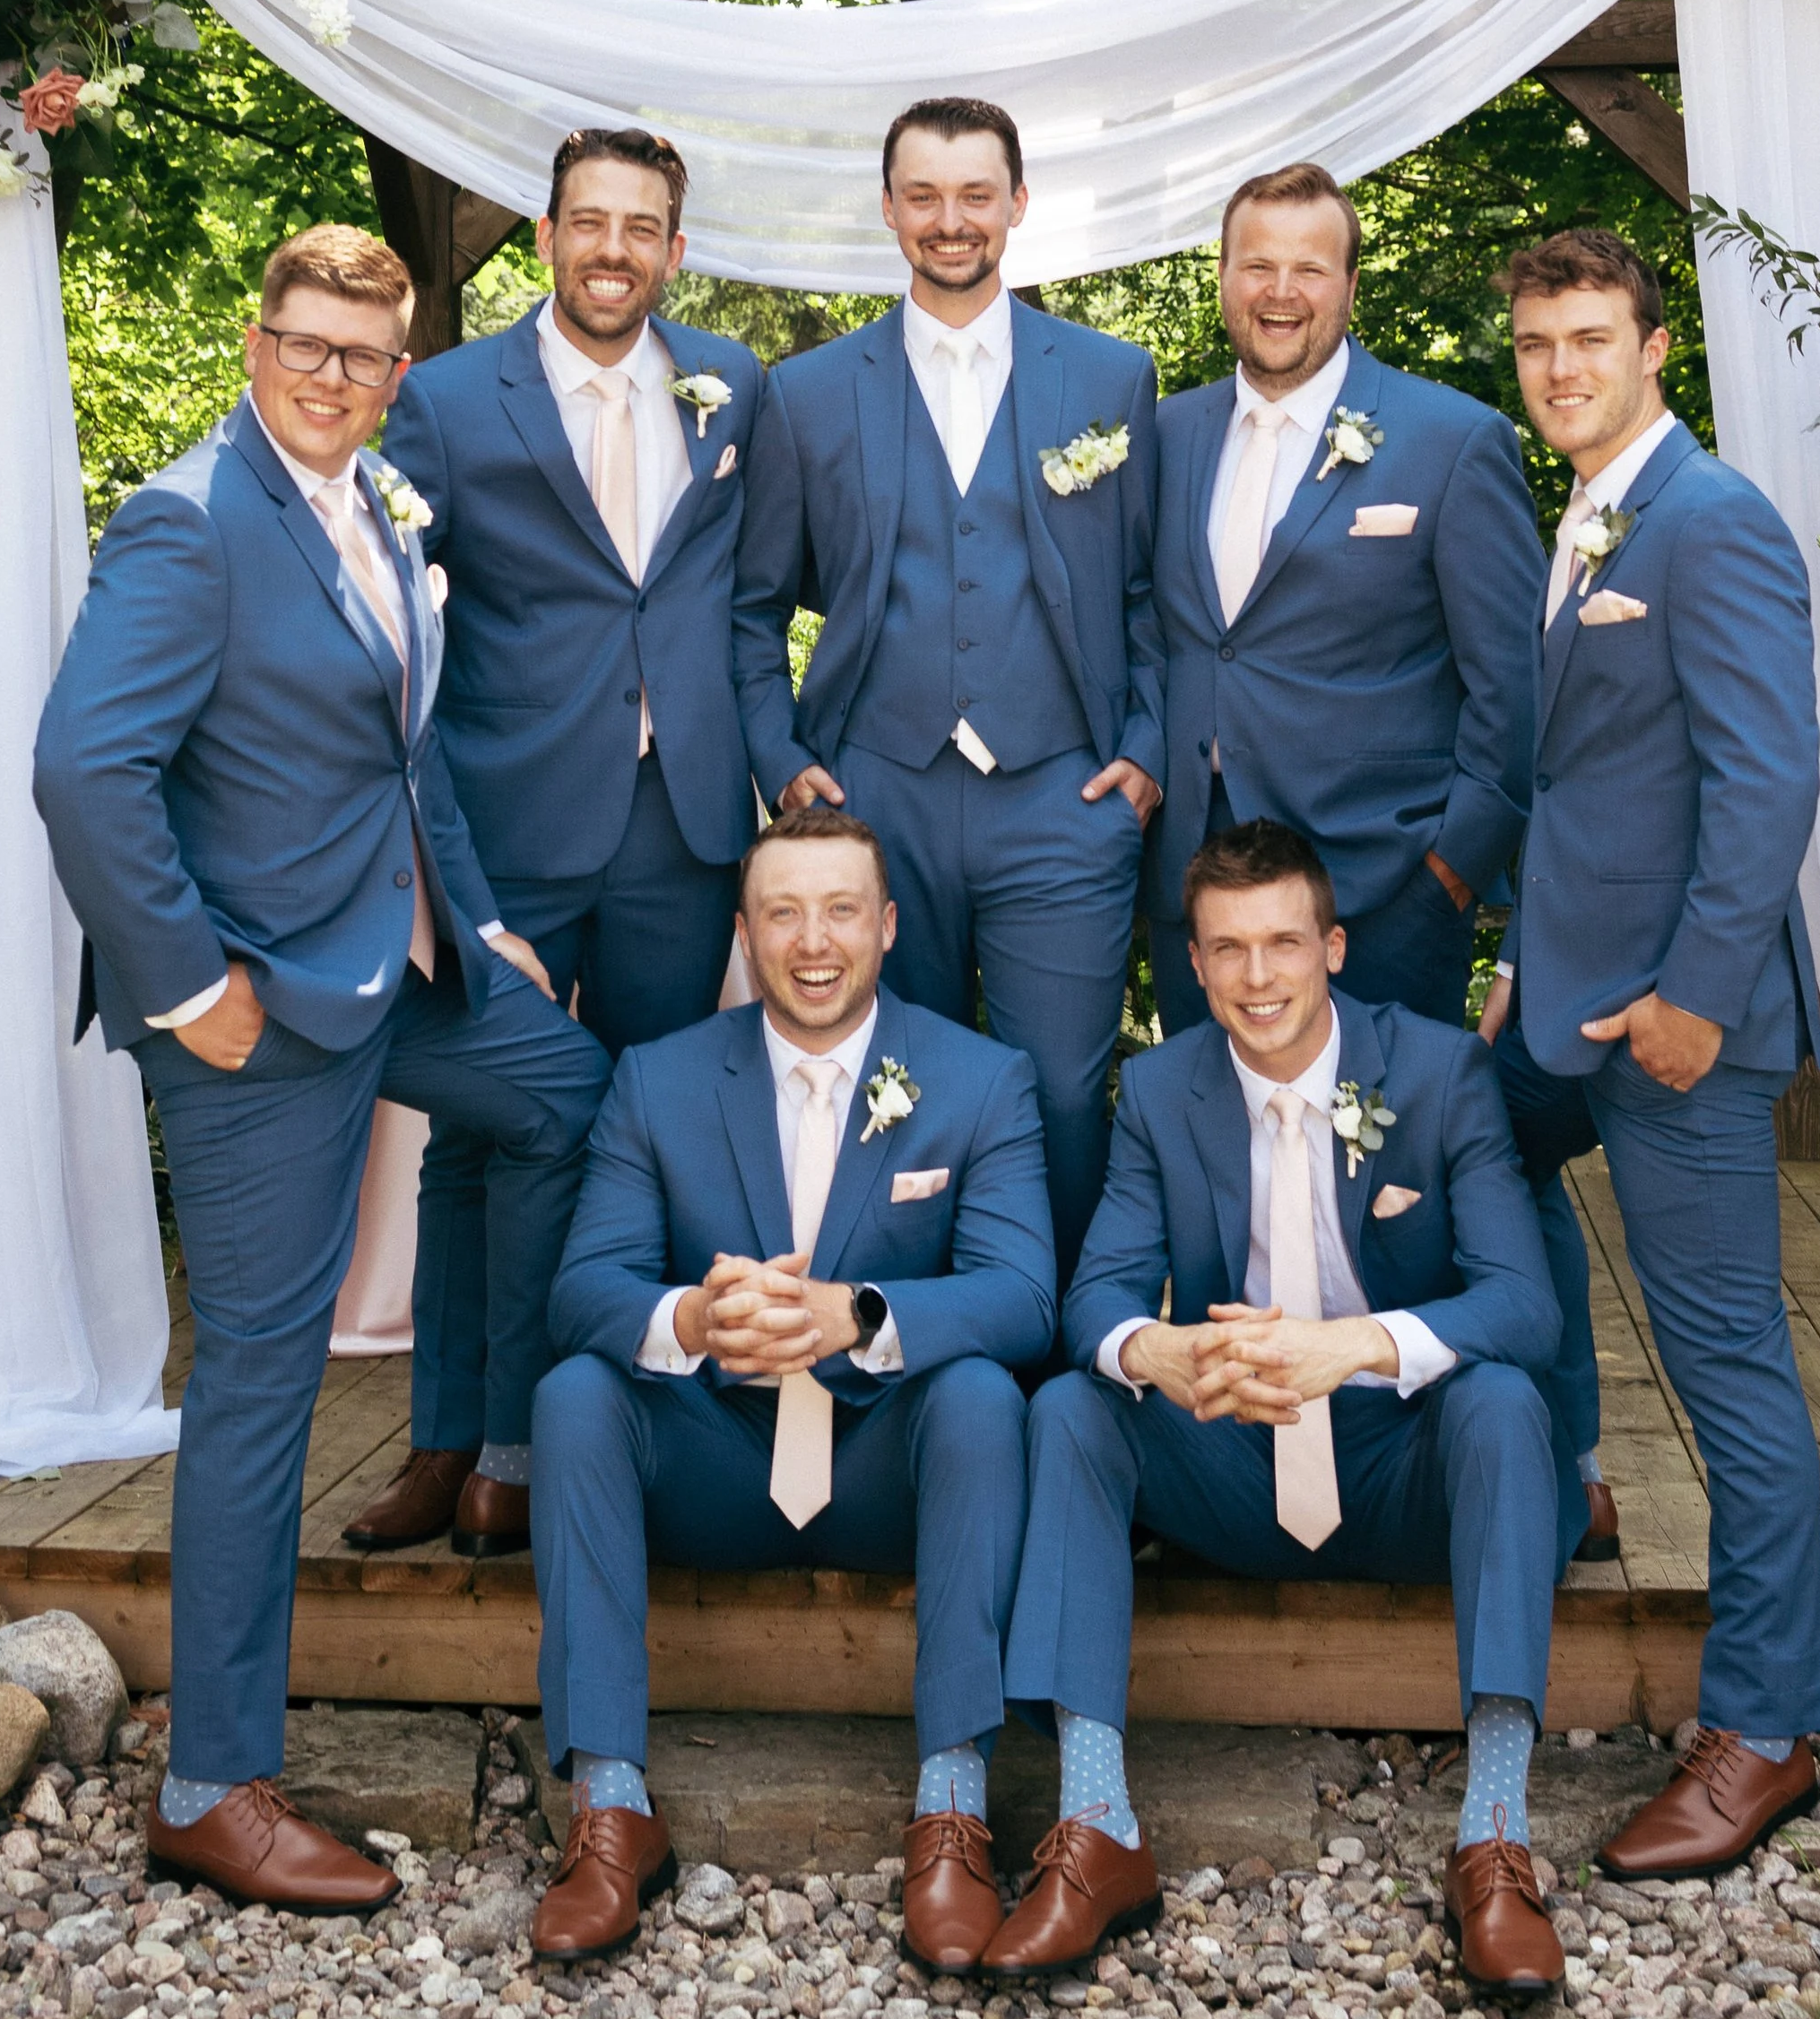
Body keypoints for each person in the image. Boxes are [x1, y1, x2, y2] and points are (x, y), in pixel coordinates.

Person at [34, 226, 611, 1914]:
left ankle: (499, 1446)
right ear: (255, 341)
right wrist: (185, 984)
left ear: (398, 370)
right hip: (261, 1008)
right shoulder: (192, 519)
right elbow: (83, 769)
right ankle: (211, 1785)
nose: (332, 376)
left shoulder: (380, 503)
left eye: (364, 354)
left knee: (569, 1096)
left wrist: (481, 926)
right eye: (307, 344)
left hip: (406, 964)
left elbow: (408, 754)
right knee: (262, 1380)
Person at [995, 819, 1564, 1989]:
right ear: (1195, 965)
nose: (1258, 977)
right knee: (1072, 1410)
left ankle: (1496, 1835)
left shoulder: (1437, 1073)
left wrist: (1347, 1347)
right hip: (1237, 1463)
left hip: (1398, 1463)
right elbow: (1095, 1297)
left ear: (1332, 948)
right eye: (1228, 948)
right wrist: (1160, 1350)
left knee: (1504, 1402)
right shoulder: (1161, 1088)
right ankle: (1096, 1824)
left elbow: (1524, 1304)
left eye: (1283, 944)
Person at [1145, 160, 1606, 1563]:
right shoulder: (1163, 435)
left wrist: (1453, 873)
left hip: (1385, 893)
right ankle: (1245, 1438)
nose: (1280, 289)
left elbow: (1512, 695)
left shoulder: (1449, 441)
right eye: (1257, 262)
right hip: (1200, 890)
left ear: (1348, 283)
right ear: (1223, 276)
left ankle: (1566, 1453)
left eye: (1309, 265)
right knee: (1230, 1162)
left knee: (1475, 1167)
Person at [527, 805, 1054, 1972]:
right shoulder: (657, 1078)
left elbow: (1025, 1295)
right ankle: (609, 1811)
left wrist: (859, 1315)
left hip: (885, 1469)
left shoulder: (979, 1079)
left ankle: (954, 1809)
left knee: (980, 1396)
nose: (813, 942)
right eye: (783, 913)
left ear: (888, 925)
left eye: (840, 911)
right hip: (715, 1457)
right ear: (744, 932)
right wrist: (695, 1320)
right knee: (574, 1395)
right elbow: (582, 1287)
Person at [342, 127, 768, 1564]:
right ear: (544, 235)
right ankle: (452, 1439)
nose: (613, 249)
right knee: (478, 1134)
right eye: (589, 221)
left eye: (641, 227)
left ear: (675, 249)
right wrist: (438, 865)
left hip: (682, 825)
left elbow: (745, 597)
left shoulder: (733, 384)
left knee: (652, 1133)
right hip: (509, 821)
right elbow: (397, 634)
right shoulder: (448, 398)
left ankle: (603, 1433)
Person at [1483, 227, 1820, 1877]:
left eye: (1590, 338)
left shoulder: (1713, 518)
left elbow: (1768, 779)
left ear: (1653, 347)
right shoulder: (1588, 511)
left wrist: (1698, 994)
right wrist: (1518, 959)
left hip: (1681, 1022)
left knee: (1727, 1366)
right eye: (1538, 343)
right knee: (1481, 1148)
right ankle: (1567, 1475)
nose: (1561, 368)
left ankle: (1765, 1724)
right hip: (1571, 999)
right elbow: (1584, 778)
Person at [736, 97, 1163, 1278]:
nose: (951, 219)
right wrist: (781, 758)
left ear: (1018, 204)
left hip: (1064, 794)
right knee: (894, 1091)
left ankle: (1067, 1348)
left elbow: (1150, 592)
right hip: (875, 795)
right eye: (923, 195)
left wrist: (1147, 746)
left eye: (976, 193)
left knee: (1066, 1090)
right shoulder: (810, 391)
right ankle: (910, 1339)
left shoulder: (1112, 378)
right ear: (888, 209)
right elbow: (750, 604)